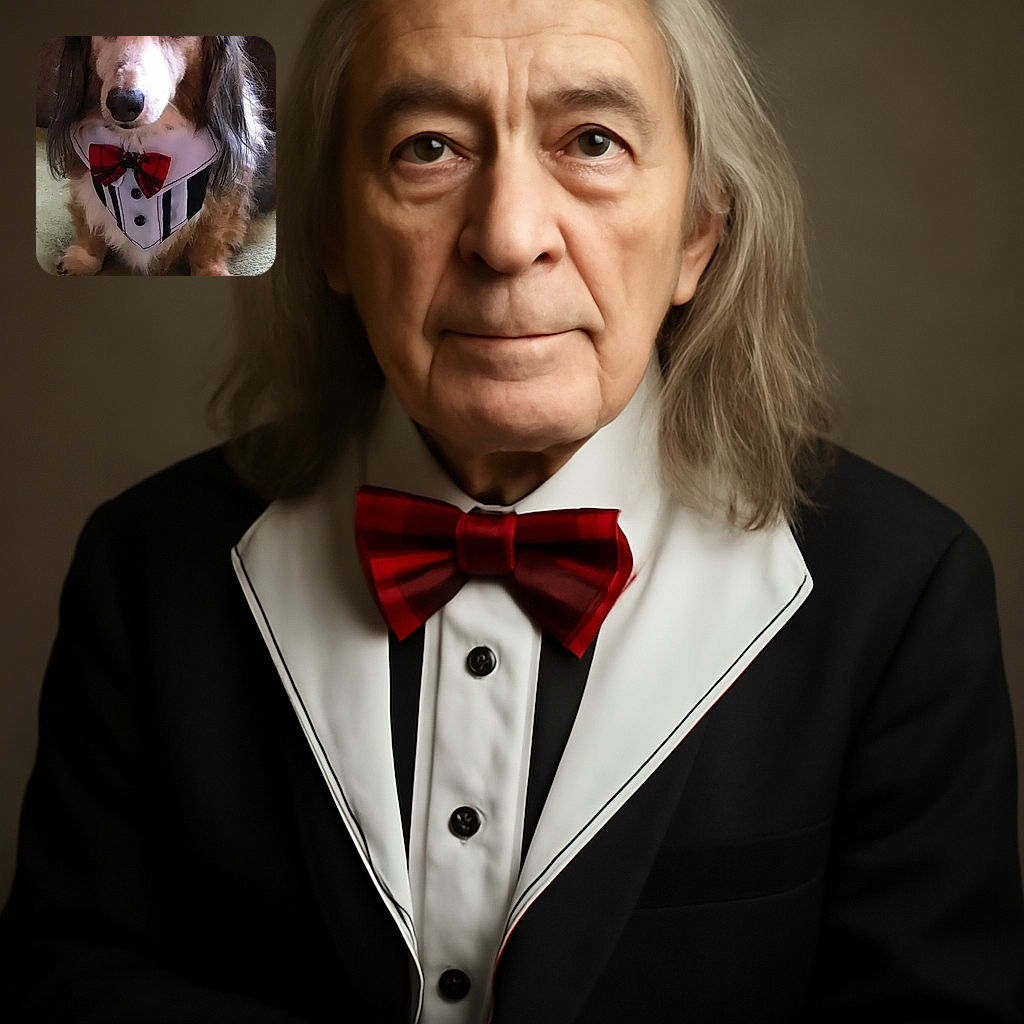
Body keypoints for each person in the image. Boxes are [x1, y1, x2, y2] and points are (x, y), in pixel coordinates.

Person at [2, 0, 1022, 1020]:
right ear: (332, 234)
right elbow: (69, 983)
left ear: (696, 237)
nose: (507, 238)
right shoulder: (145, 569)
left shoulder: (903, 597)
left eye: (593, 142)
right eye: (428, 148)